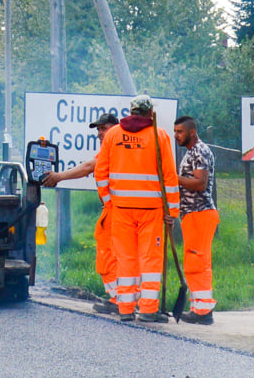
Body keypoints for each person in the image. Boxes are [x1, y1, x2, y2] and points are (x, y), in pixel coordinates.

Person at [92, 96, 180, 320]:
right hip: (151, 210)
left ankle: (125, 309)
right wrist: (172, 212)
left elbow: (100, 173)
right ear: (150, 113)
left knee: (125, 259)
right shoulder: (159, 135)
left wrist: (109, 202)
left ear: (131, 111)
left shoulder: (113, 134)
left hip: (121, 209)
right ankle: (148, 310)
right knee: (150, 260)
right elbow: (169, 176)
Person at [42, 111, 122, 313]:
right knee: (120, 256)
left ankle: (118, 299)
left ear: (115, 129)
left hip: (116, 212)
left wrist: (59, 176)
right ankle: (125, 299)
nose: (100, 133)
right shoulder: (117, 149)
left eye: (104, 129)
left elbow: (88, 167)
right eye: (98, 130)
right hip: (119, 210)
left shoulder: (114, 149)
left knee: (109, 256)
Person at [172, 115, 217, 325]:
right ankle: (199, 308)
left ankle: (203, 311)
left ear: (192, 132)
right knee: (194, 262)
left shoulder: (200, 151)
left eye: (180, 132)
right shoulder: (192, 152)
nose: (176, 136)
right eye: (175, 132)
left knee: (197, 262)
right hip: (193, 214)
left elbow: (200, 183)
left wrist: (173, 178)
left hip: (200, 212)